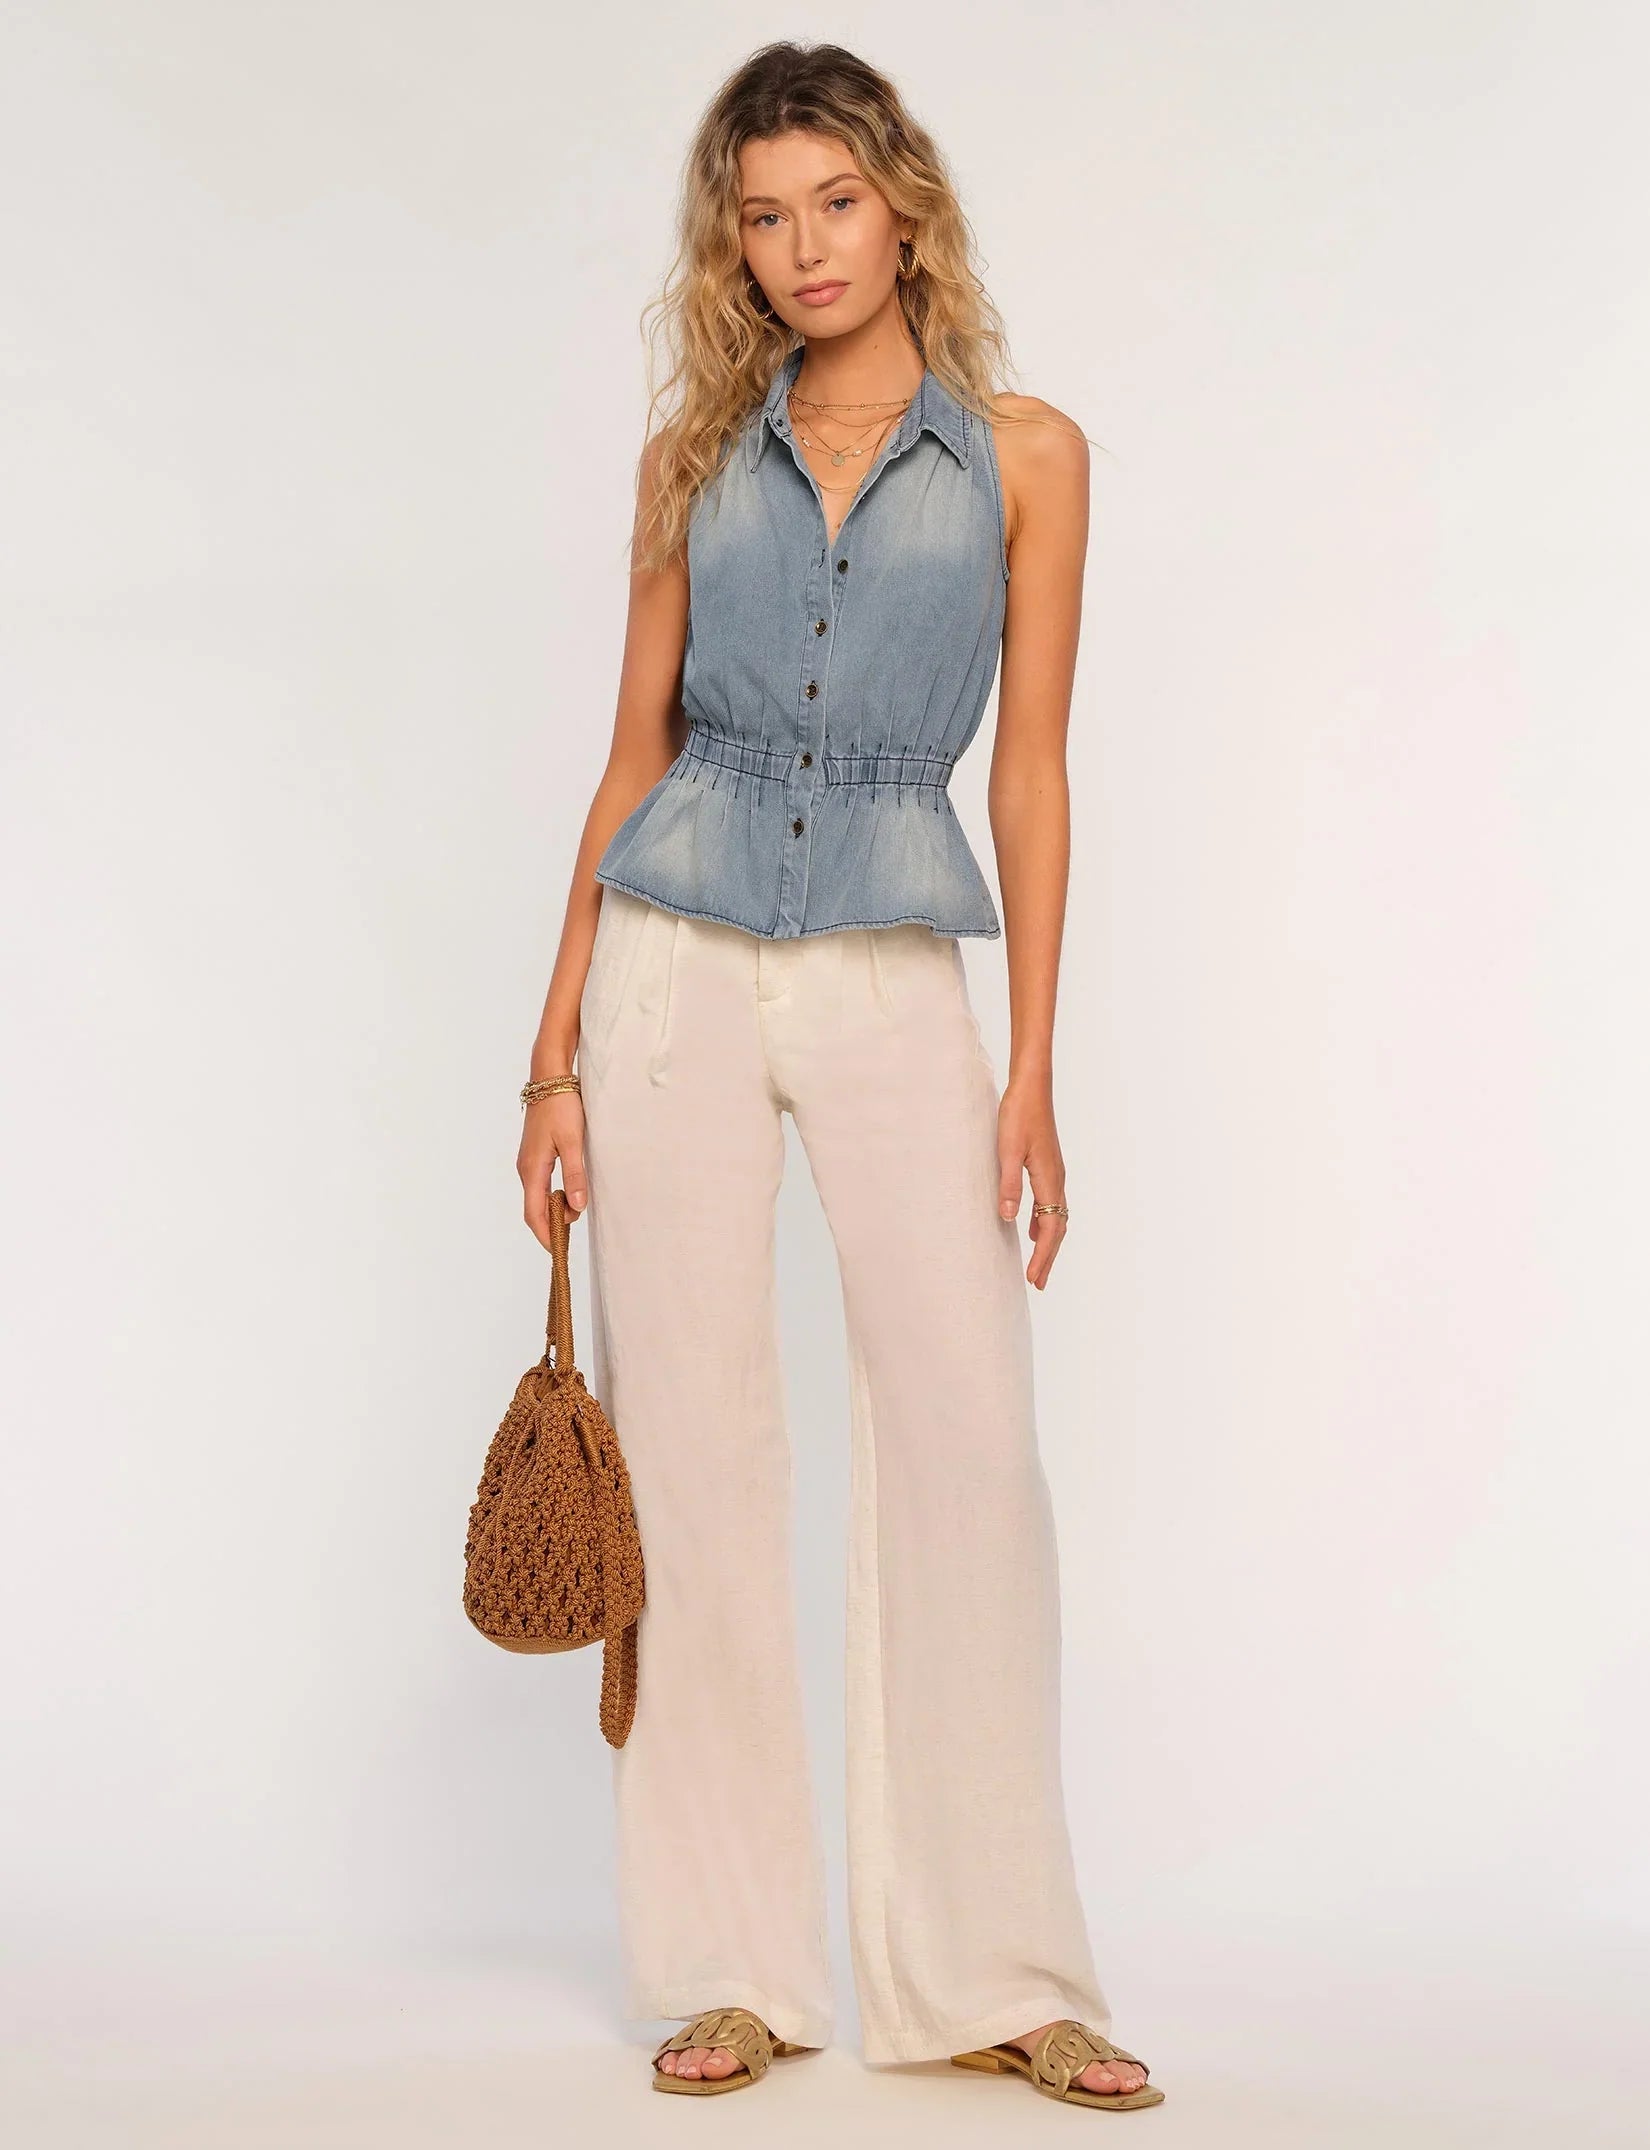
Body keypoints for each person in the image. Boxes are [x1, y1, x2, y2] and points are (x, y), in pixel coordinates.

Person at [515, 40, 1164, 2116]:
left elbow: (1032, 770)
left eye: (835, 203)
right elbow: (631, 755)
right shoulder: (692, 455)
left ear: (905, 208)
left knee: (970, 1450)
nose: (802, 248)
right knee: (693, 1453)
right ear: (733, 242)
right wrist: (547, 1054)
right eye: (762, 215)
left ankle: (998, 1972)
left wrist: (1032, 1061)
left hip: (892, 957)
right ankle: (729, 1968)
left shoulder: (1030, 456)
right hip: (674, 968)